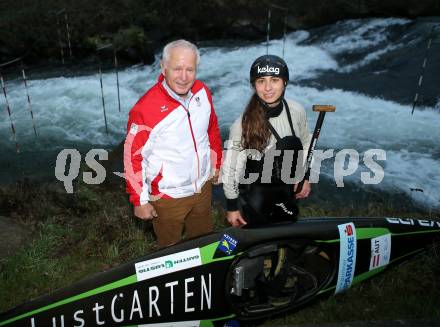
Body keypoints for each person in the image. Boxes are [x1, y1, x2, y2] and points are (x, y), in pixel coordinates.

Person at [124, 39, 222, 248]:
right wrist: (139, 200)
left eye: (190, 69)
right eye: (177, 69)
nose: (184, 77)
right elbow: (132, 157)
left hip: (202, 187)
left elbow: (212, 129)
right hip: (167, 196)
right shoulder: (144, 109)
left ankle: (203, 277)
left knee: (204, 241)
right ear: (163, 67)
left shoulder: (202, 92)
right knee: (170, 249)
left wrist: (216, 163)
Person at [222, 54, 312, 228]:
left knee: (285, 238)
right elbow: (231, 169)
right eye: (261, 81)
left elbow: (306, 143)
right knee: (255, 248)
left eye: (275, 80)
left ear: (285, 82)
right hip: (256, 196)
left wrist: (304, 175)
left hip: (286, 191)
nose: (268, 87)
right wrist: (232, 207)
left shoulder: (296, 110)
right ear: (253, 85)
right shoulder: (242, 125)